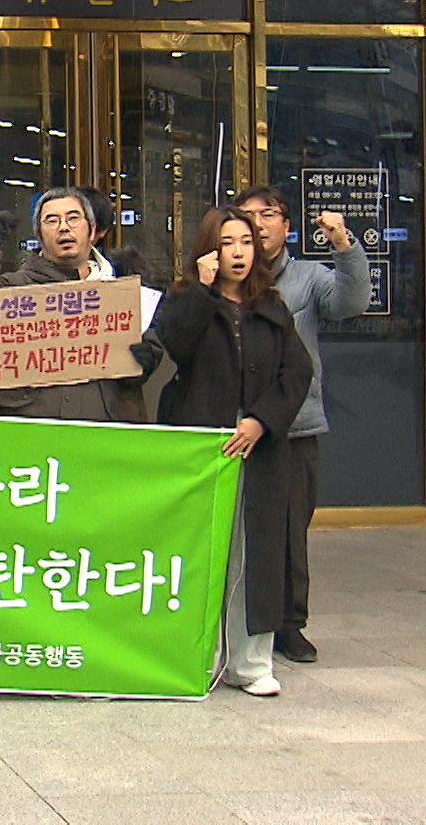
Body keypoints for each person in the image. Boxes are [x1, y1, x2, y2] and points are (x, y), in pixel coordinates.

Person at [153, 207, 313, 698]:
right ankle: (202, 656)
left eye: (246, 242)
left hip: (259, 450)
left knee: (258, 552)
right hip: (204, 446)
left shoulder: (272, 306)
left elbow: (296, 373)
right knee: (205, 549)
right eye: (227, 243)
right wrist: (201, 290)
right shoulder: (186, 299)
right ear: (208, 249)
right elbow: (174, 344)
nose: (238, 253)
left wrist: (261, 420)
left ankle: (252, 661)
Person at [236, 185, 372, 665]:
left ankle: (289, 624)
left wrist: (342, 243)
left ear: (285, 226)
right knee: (235, 529)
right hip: (232, 429)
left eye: (268, 214)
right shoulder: (222, 276)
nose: (257, 223)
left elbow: (352, 301)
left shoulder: (309, 278)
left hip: (293, 427)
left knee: (291, 528)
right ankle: (232, 620)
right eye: (247, 215)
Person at [0, 187, 160, 422]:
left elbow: (143, 362)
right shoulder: (14, 290)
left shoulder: (120, 296)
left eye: (73, 218)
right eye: (52, 220)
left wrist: (146, 357)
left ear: (92, 231)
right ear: (39, 235)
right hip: (30, 433)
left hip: (98, 432)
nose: (64, 227)